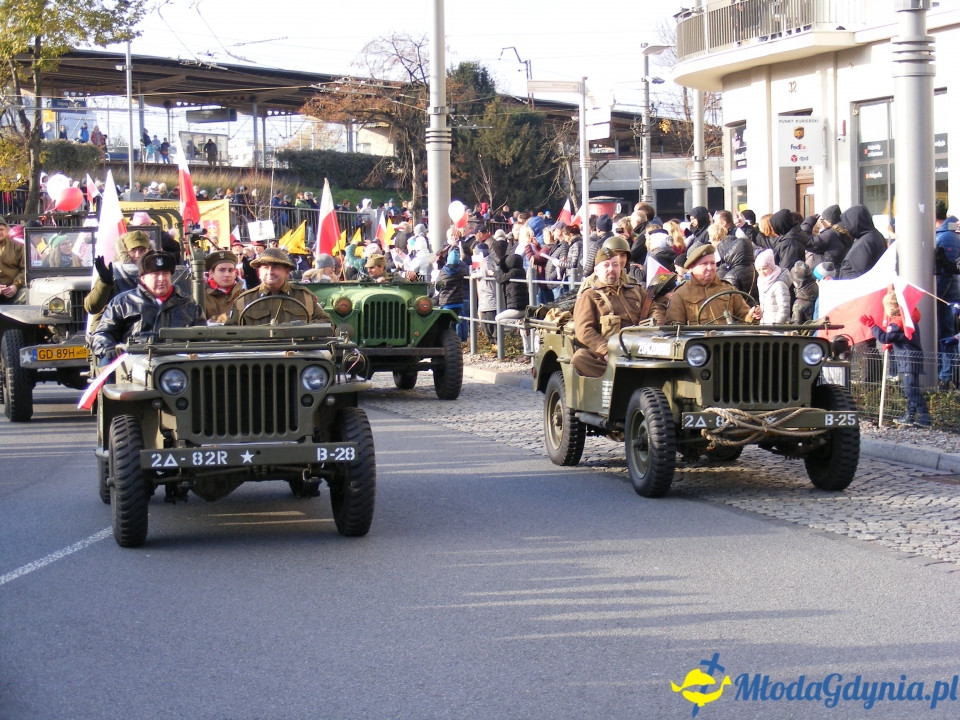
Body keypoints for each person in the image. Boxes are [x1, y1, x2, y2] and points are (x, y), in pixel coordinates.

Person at [90, 251, 205, 363]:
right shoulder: (123, 302)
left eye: (166, 273)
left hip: (179, 368)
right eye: (155, 274)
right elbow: (103, 333)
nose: (161, 279)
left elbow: (202, 339)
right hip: (134, 365)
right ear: (143, 278)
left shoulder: (189, 305)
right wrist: (108, 349)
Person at [572, 243, 667, 377]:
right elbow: (584, 331)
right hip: (610, 352)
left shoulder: (636, 290)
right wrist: (606, 350)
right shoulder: (589, 296)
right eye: (606, 265)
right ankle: (621, 378)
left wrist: (654, 328)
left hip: (642, 346)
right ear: (596, 271)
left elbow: (654, 309)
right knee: (580, 358)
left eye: (615, 265)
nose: (611, 269)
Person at [860, 288, 930, 427]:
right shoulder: (909, 319)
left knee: (911, 390)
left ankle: (924, 418)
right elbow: (901, 339)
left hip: (906, 360)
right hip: (912, 358)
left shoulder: (897, 324)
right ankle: (910, 416)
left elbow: (884, 337)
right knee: (910, 389)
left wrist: (873, 326)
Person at [230, 247, 330, 325]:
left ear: (286, 273)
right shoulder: (244, 300)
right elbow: (229, 333)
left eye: (275, 267)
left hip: (295, 350)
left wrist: (302, 328)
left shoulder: (305, 297)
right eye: (265, 267)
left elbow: (327, 323)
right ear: (259, 272)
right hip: (258, 351)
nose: (270, 272)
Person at [666, 244, 762, 325]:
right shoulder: (681, 293)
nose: (710, 267)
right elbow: (674, 327)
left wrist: (752, 315)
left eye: (712, 263)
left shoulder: (727, 288)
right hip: (697, 344)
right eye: (704, 264)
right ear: (691, 267)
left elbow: (744, 317)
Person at [837, 205, 887, 279]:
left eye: (848, 224)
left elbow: (859, 272)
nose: (846, 227)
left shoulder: (865, 242)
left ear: (855, 222)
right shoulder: (872, 236)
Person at [203, 250, 244, 323]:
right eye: (222, 270)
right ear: (211, 273)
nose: (227, 274)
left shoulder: (244, 295)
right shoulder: (201, 297)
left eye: (231, 270)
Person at [754, 249, 791, 324]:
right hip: (766, 325)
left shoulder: (779, 284)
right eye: (759, 270)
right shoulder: (761, 282)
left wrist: (776, 324)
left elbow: (784, 308)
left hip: (776, 328)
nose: (762, 272)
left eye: (765, 268)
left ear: (771, 266)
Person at [0, 219, 26, 303]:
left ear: (7, 229)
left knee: (27, 295)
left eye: (1, 229)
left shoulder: (17, 246)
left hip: (15, 290)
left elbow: (25, 269)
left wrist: (15, 286)